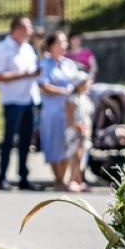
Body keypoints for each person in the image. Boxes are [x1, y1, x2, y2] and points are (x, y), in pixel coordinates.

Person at [0, 16, 40, 190]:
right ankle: (2, 177)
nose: (31, 31)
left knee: (26, 140)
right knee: (9, 140)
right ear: (17, 29)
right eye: (27, 28)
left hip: (29, 99)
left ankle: (23, 177)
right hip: (13, 100)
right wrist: (24, 75)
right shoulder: (2, 48)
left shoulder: (28, 48)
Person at [36, 30, 87, 191]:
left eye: (65, 42)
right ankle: (58, 180)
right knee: (53, 144)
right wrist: (64, 91)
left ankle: (63, 180)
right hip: (52, 111)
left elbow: (77, 83)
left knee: (67, 145)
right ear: (51, 46)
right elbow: (43, 86)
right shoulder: (44, 64)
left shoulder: (69, 64)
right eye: (60, 42)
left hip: (70, 112)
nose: (64, 45)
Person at [66, 75, 95, 191]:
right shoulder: (72, 99)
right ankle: (71, 180)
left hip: (85, 130)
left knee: (82, 156)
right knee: (75, 155)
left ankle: (78, 180)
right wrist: (79, 128)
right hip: (75, 131)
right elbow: (70, 118)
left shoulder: (85, 98)